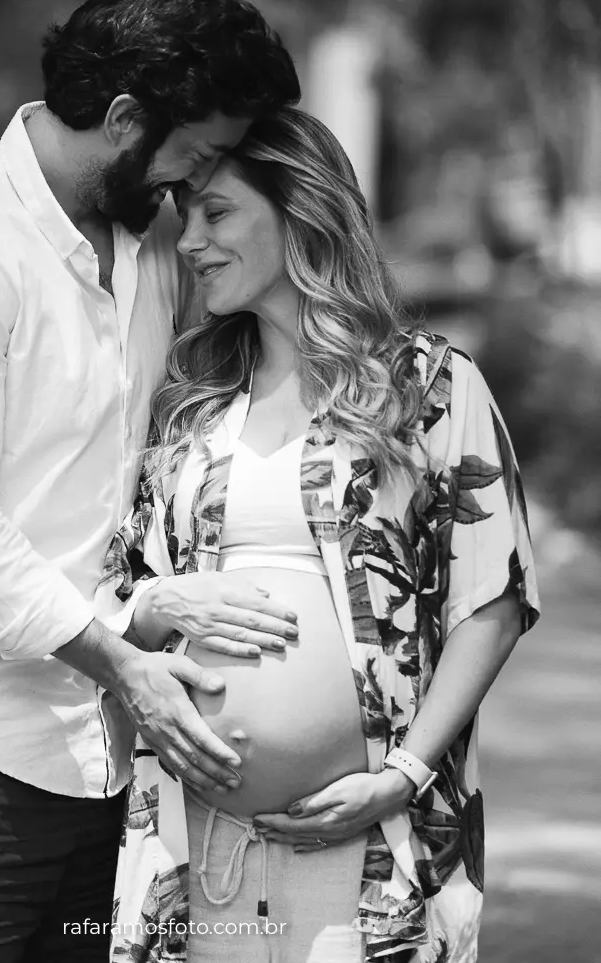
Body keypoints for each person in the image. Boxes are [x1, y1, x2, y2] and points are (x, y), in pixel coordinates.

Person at [0, 0, 303, 962]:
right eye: (195, 151)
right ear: (126, 120)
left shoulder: (143, 248)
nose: (196, 180)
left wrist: (147, 611)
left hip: (100, 774)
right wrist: (127, 664)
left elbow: (110, 497)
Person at [97, 108, 540, 962]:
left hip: (373, 845)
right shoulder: (190, 399)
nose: (189, 241)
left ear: (299, 210)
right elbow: (126, 593)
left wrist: (401, 775)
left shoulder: (429, 386)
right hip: (199, 847)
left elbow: (493, 594)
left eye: (216, 213)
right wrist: (157, 605)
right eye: (185, 216)